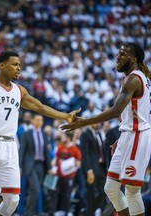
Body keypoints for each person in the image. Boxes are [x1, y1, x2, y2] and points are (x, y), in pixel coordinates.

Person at [0, 50, 80, 216]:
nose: (19, 68)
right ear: (2, 65)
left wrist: (65, 116)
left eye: (19, 65)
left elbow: (40, 107)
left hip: (9, 146)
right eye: (15, 64)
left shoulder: (19, 91)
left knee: (13, 200)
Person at [61, 42, 151, 216]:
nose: (117, 57)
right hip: (129, 134)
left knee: (132, 192)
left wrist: (83, 122)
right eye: (118, 53)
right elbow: (138, 112)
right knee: (111, 188)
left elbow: (116, 110)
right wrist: (123, 135)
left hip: (138, 135)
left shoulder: (134, 78)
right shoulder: (136, 78)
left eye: (122, 54)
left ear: (133, 59)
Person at [19, 114, 51, 216]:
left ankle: (31, 212)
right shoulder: (26, 134)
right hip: (30, 166)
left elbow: (46, 152)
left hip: (41, 165)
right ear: (32, 121)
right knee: (36, 189)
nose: (39, 122)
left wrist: (49, 167)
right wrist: (19, 166)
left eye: (41, 120)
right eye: (37, 120)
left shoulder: (44, 134)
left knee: (35, 191)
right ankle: (28, 213)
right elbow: (22, 151)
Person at [79, 124, 107, 216]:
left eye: (99, 122)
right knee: (91, 194)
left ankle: (88, 211)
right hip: (91, 168)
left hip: (100, 166)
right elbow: (84, 153)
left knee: (104, 191)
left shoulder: (98, 134)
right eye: (95, 121)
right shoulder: (85, 134)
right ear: (90, 122)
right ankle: (90, 212)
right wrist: (89, 170)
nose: (98, 123)